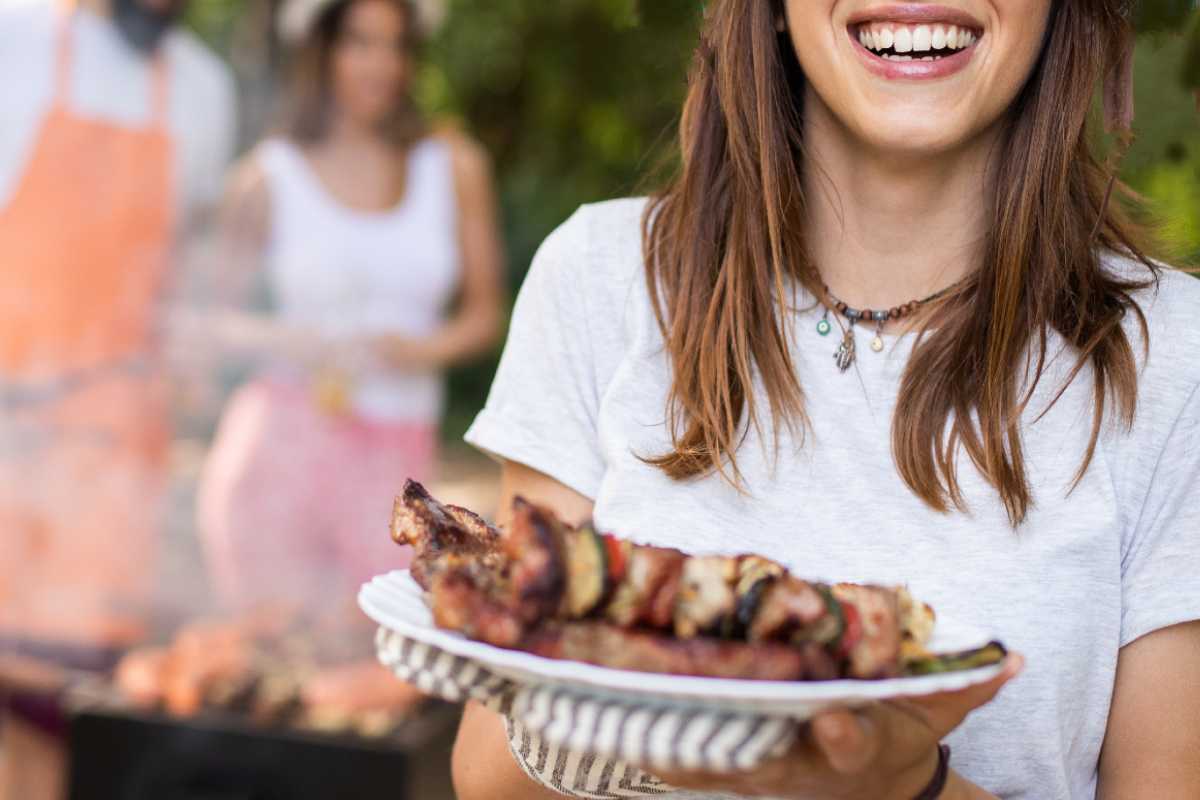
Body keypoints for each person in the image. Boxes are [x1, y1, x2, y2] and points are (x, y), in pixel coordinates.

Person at [451, 1, 1200, 799]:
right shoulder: (599, 276)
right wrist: (667, 706)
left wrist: (908, 789)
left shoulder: (1177, 357)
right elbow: (491, 777)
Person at [186, 0, 502, 708]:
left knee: (383, 674)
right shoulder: (270, 173)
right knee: (273, 674)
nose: (380, 64)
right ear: (323, 50)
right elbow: (208, 318)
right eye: (359, 43)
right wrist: (289, 342)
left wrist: (421, 349)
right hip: (279, 452)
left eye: (394, 46)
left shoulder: (452, 166)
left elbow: (484, 315)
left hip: (394, 464)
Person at [0, 0, 235, 796]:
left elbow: (193, 277)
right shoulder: (12, 34)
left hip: (115, 459)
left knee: (76, 698)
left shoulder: (206, 88)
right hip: (9, 435)